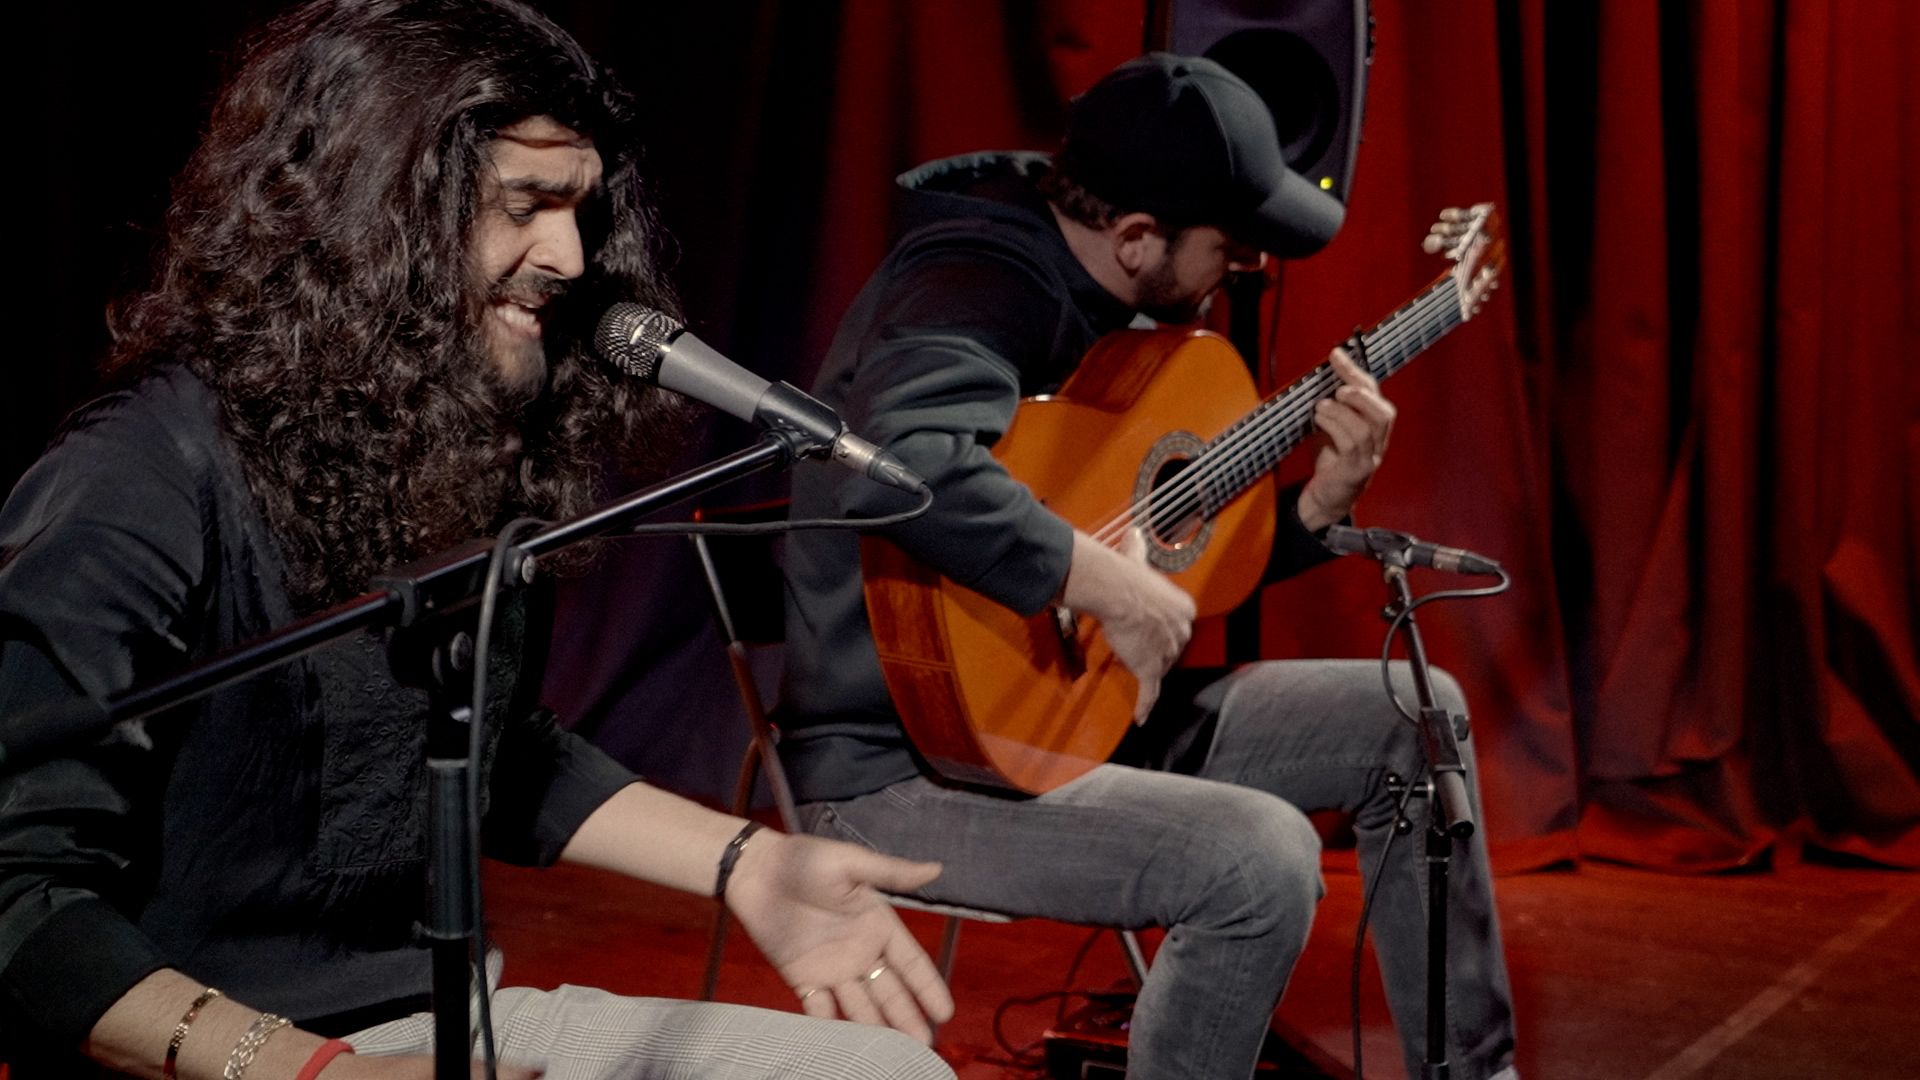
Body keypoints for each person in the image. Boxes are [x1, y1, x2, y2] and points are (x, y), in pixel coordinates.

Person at [0, 3, 957, 1078]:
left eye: (582, 209)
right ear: (373, 209)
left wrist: (749, 863)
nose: (570, 256)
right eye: (525, 205)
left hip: (444, 1024)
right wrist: (315, 1072)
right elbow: (21, 893)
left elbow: (484, 751)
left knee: (888, 1073)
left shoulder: (462, 444)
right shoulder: (141, 471)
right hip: (216, 1052)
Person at [778, 54, 1519, 1080]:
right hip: (902, 767)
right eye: (1229, 247)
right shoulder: (976, 279)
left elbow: (1159, 543)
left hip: (1064, 724)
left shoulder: (1115, 306)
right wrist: (1101, 582)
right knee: (1256, 857)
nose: (1243, 270)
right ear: (1135, 237)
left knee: (1415, 714)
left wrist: (1316, 507)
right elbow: (899, 465)